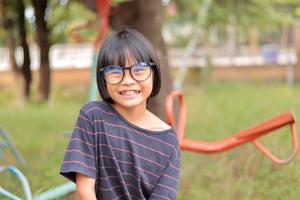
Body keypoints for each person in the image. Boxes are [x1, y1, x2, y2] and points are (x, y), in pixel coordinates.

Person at [60, 29, 181, 200]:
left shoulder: (168, 140)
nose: (127, 80)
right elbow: (85, 191)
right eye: (115, 71)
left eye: (139, 69)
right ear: (103, 77)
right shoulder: (93, 117)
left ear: (154, 73)